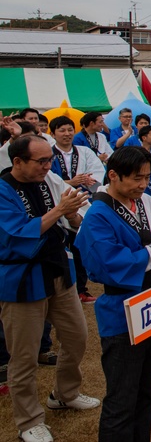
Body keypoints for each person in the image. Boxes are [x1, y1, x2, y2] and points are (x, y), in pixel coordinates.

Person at [75, 146, 151, 442]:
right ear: (113, 175)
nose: (142, 185)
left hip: (149, 304)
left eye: (146, 177)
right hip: (121, 310)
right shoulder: (98, 215)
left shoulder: (136, 203)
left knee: (146, 391)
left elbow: (150, 245)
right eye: (136, 178)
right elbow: (113, 264)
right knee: (122, 398)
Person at [0, 136, 98, 442]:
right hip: (22, 281)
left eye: (50, 160)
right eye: (41, 161)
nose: (47, 166)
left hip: (58, 271)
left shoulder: (47, 181)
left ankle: (65, 393)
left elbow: (71, 219)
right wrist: (59, 211)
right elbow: (14, 236)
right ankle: (29, 420)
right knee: (24, 355)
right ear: (17, 162)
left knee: (77, 337)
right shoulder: (3, 190)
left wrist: (70, 214)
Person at [49, 115, 105, 304]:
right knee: (61, 248)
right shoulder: (48, 154)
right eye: (61, 130)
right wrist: (70, 183)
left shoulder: (83, 151)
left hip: (82, 203)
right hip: (57, 205)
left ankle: (81, 289)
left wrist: (89, 180)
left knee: (79, 247)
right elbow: (47, 180)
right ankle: (63, 291)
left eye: (69, 129)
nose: (66, 134)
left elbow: (97, 171)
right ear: (53, 133)